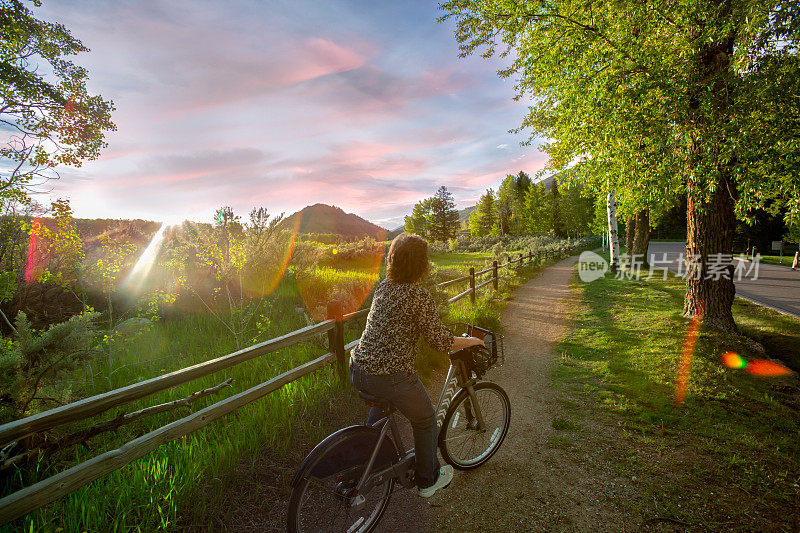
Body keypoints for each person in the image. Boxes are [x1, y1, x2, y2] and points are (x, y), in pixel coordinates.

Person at [350, 233, 485, 498]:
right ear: (422, 265)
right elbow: (441, 341)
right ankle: (427, 480)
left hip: (359, 369)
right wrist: (468, 342)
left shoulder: (384, 286)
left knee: (378, 422)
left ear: (393, 261)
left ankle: (364, 467)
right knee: (425, 420)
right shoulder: (418, 296)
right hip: (390, 377)